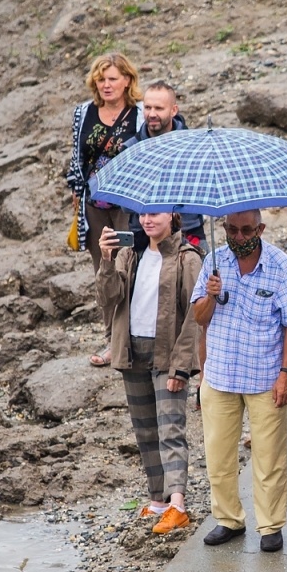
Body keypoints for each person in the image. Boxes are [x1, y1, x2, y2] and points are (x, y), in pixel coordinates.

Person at [191, 210, 287, 553]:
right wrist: (210, 294)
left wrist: (285, 375)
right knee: (218, 456)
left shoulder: (279, 264)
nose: (238, 237)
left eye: (245, 230)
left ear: (260, 229)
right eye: (231, 230)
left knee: (269, 457)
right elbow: (199, 319)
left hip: (264, 377)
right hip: (220, 374)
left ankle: (270, 526)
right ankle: (228, 519)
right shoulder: (213, 261)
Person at [96, 211, 202, 535]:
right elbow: (108, 299)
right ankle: (158, 499)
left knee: (170, 428)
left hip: (167, 355)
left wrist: (182, 366)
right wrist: (105, 260)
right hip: (132, 352)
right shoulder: (130, 254)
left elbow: (195, 318)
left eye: (154, 213)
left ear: (173, 215)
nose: (147, 219)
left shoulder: (188, 258)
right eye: (142, 213)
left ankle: (178, 504)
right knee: (145, 431)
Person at [66, 52, 144, 367]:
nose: (106, 84)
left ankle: (130, 336)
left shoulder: (138, 114)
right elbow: (76, 156)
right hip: (94, 204)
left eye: (112, 78)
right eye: (101, 79)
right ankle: (111, 338)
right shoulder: (83, 112)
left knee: (129, 265)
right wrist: (76, 189)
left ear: (127, 80)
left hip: (127, 202)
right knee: (103, 268)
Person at [138, 80, 201, 249]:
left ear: (174, 110)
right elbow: (125, 205)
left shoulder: (195, 146)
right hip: (145, 232)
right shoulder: (131, 148)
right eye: (147, 107)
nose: (151, 114)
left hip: (188, 228)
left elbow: (201, 190)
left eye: (158, 108)